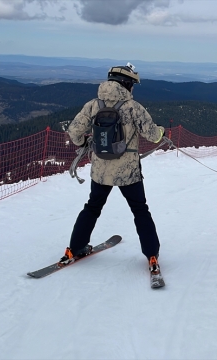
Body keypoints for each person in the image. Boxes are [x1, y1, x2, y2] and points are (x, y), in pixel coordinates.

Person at [63, 63, 165, 275]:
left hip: (100, 170)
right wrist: (162, 132)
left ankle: (75, 248)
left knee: (92, 207)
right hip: (128, 172)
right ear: (127, 84)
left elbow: (74, 131)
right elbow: (153, 135)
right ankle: (152, 254)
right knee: (140, 210)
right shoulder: (133, 108)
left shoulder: (93, 105)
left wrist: (84, 144)